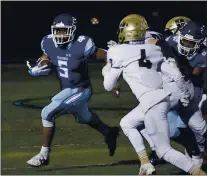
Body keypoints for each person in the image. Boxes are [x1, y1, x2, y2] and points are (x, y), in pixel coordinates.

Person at [102, 14, 206, 175]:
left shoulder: (119, 51)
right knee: (129, 123)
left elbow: (108, 86)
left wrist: (107, 69)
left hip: (162, 99)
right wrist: (184, 95)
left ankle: (196, 167)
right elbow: (175, 73)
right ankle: (146, 162)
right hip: (168, 93)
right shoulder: (156, 48)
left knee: (167, 146)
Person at [26, 13, 119, 167]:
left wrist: (113, 76)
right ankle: (109, 132)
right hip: (67, 89)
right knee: (84, 118)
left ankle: (44, 154)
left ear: (73, 30)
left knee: (47, 112)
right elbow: (47, 56)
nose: (61, 35)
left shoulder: (82, 44)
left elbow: (105, 55)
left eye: (64, 31)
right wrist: (42, 64)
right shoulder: (48, 42)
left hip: (81, 90)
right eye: (58, 31)